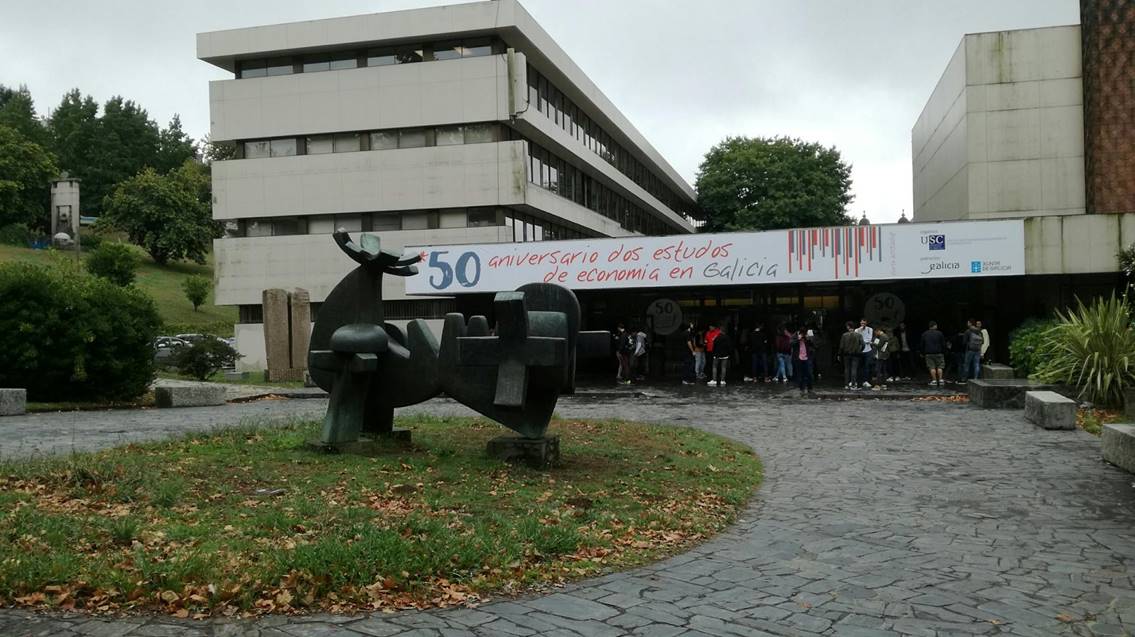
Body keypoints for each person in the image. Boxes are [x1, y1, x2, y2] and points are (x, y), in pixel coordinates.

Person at [920, 320, 947, 387]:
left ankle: (934, 380)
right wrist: (944, 351)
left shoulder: (925, 334)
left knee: (931, 367)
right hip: (939, 353)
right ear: (934, 326)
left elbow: (922, 344)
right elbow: (943, 344)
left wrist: (922, 353)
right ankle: (940, 380)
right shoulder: (940, 333)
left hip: (929, 353)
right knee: (940, 366)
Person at [791, 327, 815, 396]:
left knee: (809, 374)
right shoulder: (795, 335)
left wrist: (808, 339)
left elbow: (813, 344)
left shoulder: (807, 336)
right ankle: (802, 389)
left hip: (807, 358)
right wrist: (798, 339)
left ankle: (810, 388)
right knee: (800, 375)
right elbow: (791, 343)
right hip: (798, 358)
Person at [838, 321, 862, 390]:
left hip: (846, 354)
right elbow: (862, 344)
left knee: (847, 369)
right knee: (854, 369)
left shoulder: (844, 335)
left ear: (848, 327)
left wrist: (839, 354)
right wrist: (859, 350)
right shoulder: (858, 335)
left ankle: (846, 384)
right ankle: (853, 384)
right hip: (856, 354)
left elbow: (841, 346)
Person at [855, 318, 874, 388]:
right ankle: (858, 381)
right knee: (859, 366)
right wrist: (860, 332)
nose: (863, 325)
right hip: (860, 350)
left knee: (867, 366)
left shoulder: (870, 329)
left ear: (866, 323)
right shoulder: (857, 330)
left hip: (868, 350)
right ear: (860, 323)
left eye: (864, 323)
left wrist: (862, 340)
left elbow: (869, 339)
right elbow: (856, 339)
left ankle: (865, 381)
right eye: (862, 323)